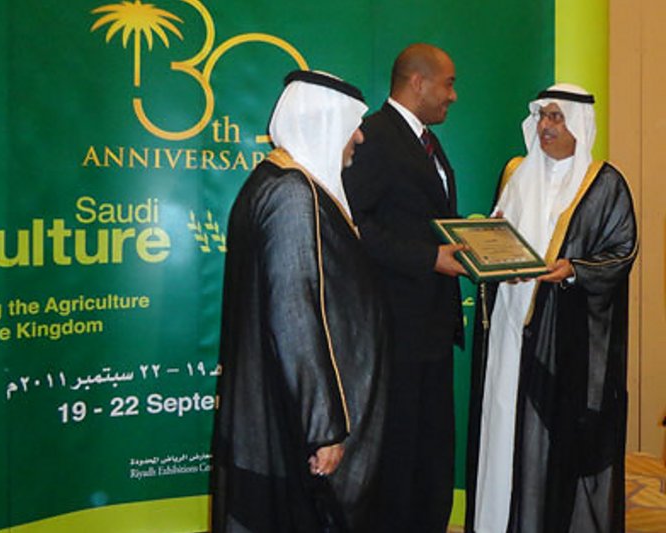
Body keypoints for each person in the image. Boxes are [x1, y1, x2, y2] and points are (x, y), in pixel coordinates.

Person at [211, 70, 389, 533]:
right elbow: (294, 313)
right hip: (291, 417)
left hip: (282, 401)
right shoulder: (292, 194)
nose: (360, 136)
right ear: (324, 123)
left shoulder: (281, 183)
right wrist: (323, 426)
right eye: (354, 124)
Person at [465, 83, 638, 533]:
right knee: (504, 430)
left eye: (557, 118)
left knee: (549, 441)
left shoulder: (604, 185)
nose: (545, 126)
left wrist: (574, 269)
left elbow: (622, 252)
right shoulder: (516, 174)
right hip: (508, 328)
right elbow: (499, 237)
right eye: (542, 116)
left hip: (564, 340)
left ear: (579, 124)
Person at [342, 43, 465, 532]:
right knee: (396, 463)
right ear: (418, 82)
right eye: (448, 83)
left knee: (430, 457)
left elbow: (420, 218)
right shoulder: (374, 137)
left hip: (431, 331)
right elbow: (354, 225)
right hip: (394, 332)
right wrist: (428, 257)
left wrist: (471, 236)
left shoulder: (425, 141)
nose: (453, 96)